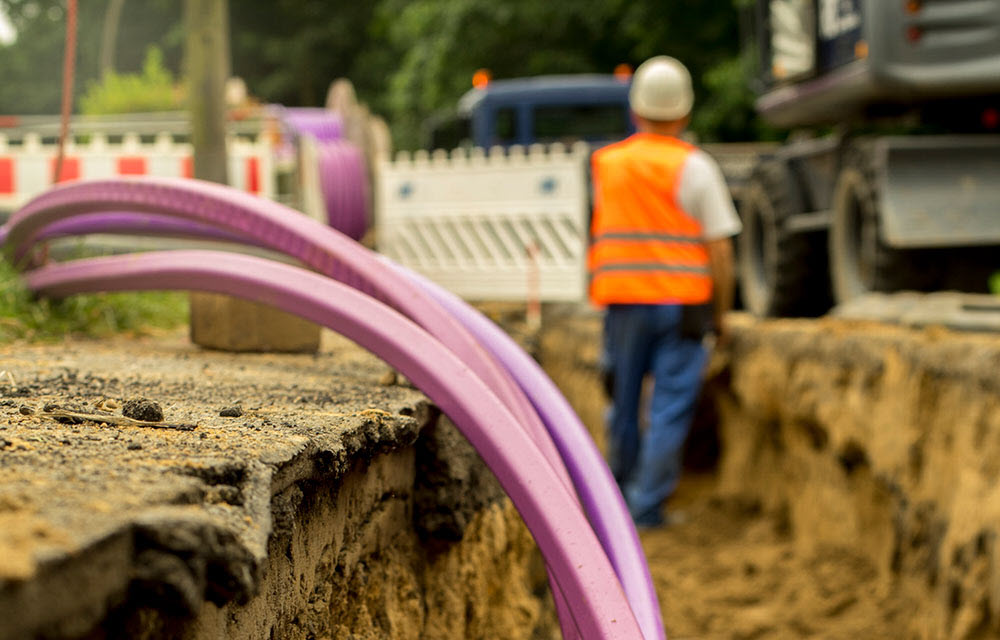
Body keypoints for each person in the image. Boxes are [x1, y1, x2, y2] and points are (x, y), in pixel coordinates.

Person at [588, 55, 740, 528]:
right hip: (684, 306)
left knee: (624, 404)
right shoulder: (696, 167)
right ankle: (645, 508)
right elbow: (720, 250)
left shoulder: (607, 165)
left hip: (624, 303)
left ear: (635, 111)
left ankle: (616, 505)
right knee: (670, 408)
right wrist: (723, 315)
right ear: (685, 113)